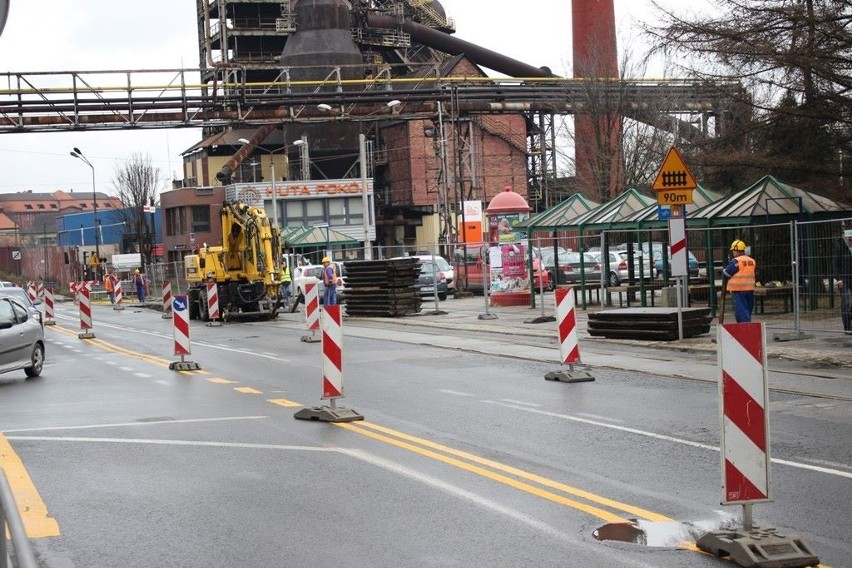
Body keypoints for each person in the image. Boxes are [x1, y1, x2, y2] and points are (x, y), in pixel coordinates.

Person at [723, 239, 756, 323]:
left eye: (733, 250)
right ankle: (743, 326)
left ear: (736, 250)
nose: (733, 253)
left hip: (738, 289)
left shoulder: (736, 261)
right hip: (750, 288)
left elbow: (726, 273)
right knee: (747, 310)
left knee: (741, 311)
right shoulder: (752, 261)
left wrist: (724, 271)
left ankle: (745, 329)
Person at [833, 228, 852, 334]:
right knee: (845, 302)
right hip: (843, 278)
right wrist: (838, 279)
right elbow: (835, 264)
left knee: (848, 305)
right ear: (845, 238)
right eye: (849, 238)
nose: (850, 240)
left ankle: (850, 316)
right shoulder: (839, 247)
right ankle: (848, 328)